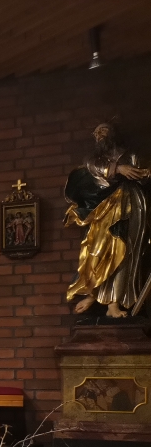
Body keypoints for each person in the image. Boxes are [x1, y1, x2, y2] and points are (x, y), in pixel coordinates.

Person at [65, 123, 151, 318]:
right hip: (102, 207)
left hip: (130, 205)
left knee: (124, 252)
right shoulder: (95, 159)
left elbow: (143, 176)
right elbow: (93, 168)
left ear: (113, 133)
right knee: (98, 250)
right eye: (96, 132)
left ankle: (113, 303)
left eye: (103, 130)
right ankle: (93, 293)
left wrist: (142, 173)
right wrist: (118, 169)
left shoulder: (130, 155)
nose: (98, 134)